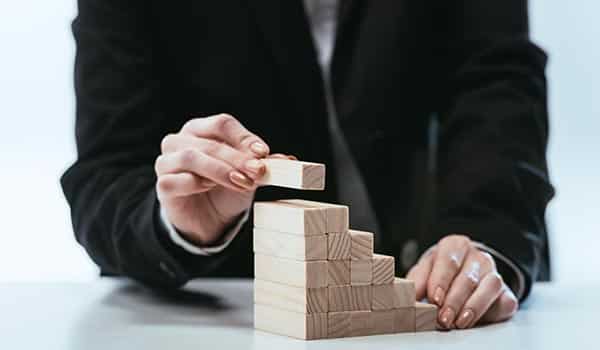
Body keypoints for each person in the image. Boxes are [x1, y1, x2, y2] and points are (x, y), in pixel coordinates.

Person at [61, 0, 554, 330]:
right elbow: (106, 173)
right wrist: (180, 225)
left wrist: (486, 240)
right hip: (237, 314)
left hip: (431, 291)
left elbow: (499, 83)